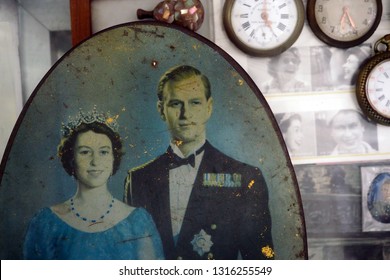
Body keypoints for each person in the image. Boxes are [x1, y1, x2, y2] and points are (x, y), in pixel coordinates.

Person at [124, 65, 274, 260]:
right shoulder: (138, 179)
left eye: (195, 103)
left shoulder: (245, 178)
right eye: (176, 104)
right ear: (161, 110)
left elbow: (261, 265)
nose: (186, 114)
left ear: (208, 108)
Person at [23, 110, 164, 260]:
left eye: (103, 152)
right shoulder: (46, 223)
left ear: (113, 158)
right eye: (85, 152)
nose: (95, 162)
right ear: (71, 159)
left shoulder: (138, 221)